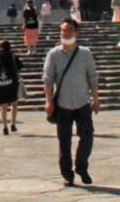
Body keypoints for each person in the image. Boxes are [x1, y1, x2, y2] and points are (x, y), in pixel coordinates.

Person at [43, 19, 101, 188]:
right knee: (64, 140)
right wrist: (48, 101)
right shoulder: (53, 54)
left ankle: (81, 166)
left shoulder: (85, 53)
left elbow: (92, 77)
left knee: (88, 136)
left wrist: (96, 98)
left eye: (68, 30)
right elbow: (48, 79)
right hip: (62, 104)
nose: (65, 33)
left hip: (83, 101)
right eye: (62, 31)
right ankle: (67, 174)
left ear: (76, 33)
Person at [0, 38, 22, 135]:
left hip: (0, 85)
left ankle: (4, 126)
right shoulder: (12, 57)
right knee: (14, 104)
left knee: (3, 106)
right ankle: (12, 123)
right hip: (12, 83)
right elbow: (20, 66)